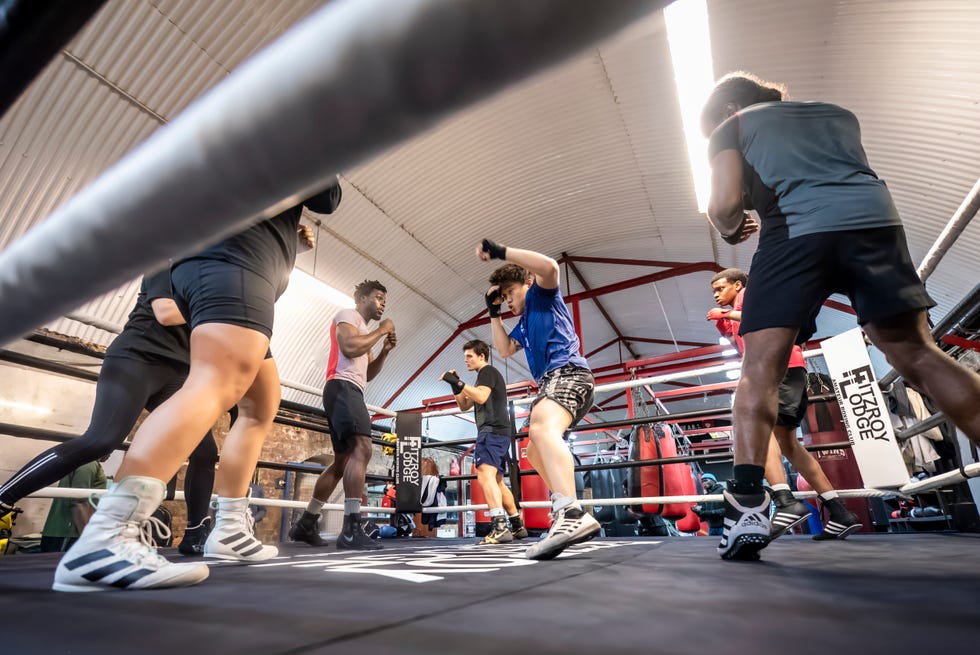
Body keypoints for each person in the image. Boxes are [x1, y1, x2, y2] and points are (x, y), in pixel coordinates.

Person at [700, 72, 980, 560]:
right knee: (917, 351)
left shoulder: (734, 124)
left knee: (760, 365)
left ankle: (746, 506)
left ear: (727, 110)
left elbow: (723, 205)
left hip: (797, 229)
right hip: (876, 221)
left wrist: (729, 225)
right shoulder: (836, 115)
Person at [51, 178, 343, 591]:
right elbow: (327, 194)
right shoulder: (296, 121)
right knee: (218, 380)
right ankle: (107, 537)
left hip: (234, 258)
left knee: (262, 402)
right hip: (235, 261)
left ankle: (229, 529)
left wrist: (286, 239)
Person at [0, 268, 219, 558]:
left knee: (205, 451)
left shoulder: (216, 276)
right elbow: (166, 312)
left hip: (177, 372)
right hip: (136, 358)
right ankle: (3, 499)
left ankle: (196, 532)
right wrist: (219, 312)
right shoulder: (171, 260)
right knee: (101, 440)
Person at [708, 268, 861, 540]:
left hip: (780, 367)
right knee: (789, 443)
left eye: (721, 288)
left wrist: (728, 315)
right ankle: (839, 511)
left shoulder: (751, 295)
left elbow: (772, 319)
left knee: (759, 431)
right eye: (714, 292)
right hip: (784, 369)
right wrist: (726, 326)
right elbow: (743, 344)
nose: (717, 295)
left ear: (737, 284)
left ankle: (786, 502)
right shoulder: (740, 308)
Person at [476, 239, 600, 560]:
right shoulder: (524, 323)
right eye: (504, 299)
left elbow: (550, 268)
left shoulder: (543, 298)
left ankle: (571, 513)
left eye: (510, 294)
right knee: (533, 448)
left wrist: (502, 253)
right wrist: (494, 313)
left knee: (543, 431)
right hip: (553, 381)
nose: (508, 302)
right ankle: (566, 510)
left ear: (527, 283)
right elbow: (503, 350)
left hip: (567, 372)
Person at [290, 279, 396, 550]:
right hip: (342, 387)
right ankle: (351, 529)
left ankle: (306, 522)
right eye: (377, 297)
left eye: (384, 299)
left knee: (342, 462)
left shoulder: (363, 332)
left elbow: (369, 373)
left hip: (351, 389)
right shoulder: (348, 316)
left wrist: (384, 350)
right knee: (363, 447)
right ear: (361, 299)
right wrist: (382, 330)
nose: (382, 303)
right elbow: (349, 348)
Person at [439, 339, 527, 544]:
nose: (466, 360)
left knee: (484, 475)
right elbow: (464, 405)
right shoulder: (481, 378)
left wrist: (460, 383)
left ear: (482, 356)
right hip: (498, 433)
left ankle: (499, 527)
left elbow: (480, 397)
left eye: (470, 356)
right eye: (465, 357)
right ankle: (516, 525)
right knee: (495, 480)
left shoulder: (487, 372)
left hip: (492, 432)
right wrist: (454, 385)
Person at [39, 459, 108, 553]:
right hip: (70, 532)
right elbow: (79, 501)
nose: (111, 452)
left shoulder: (85, 461)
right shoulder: (88, 463)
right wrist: (87, 537)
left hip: (67, 532)